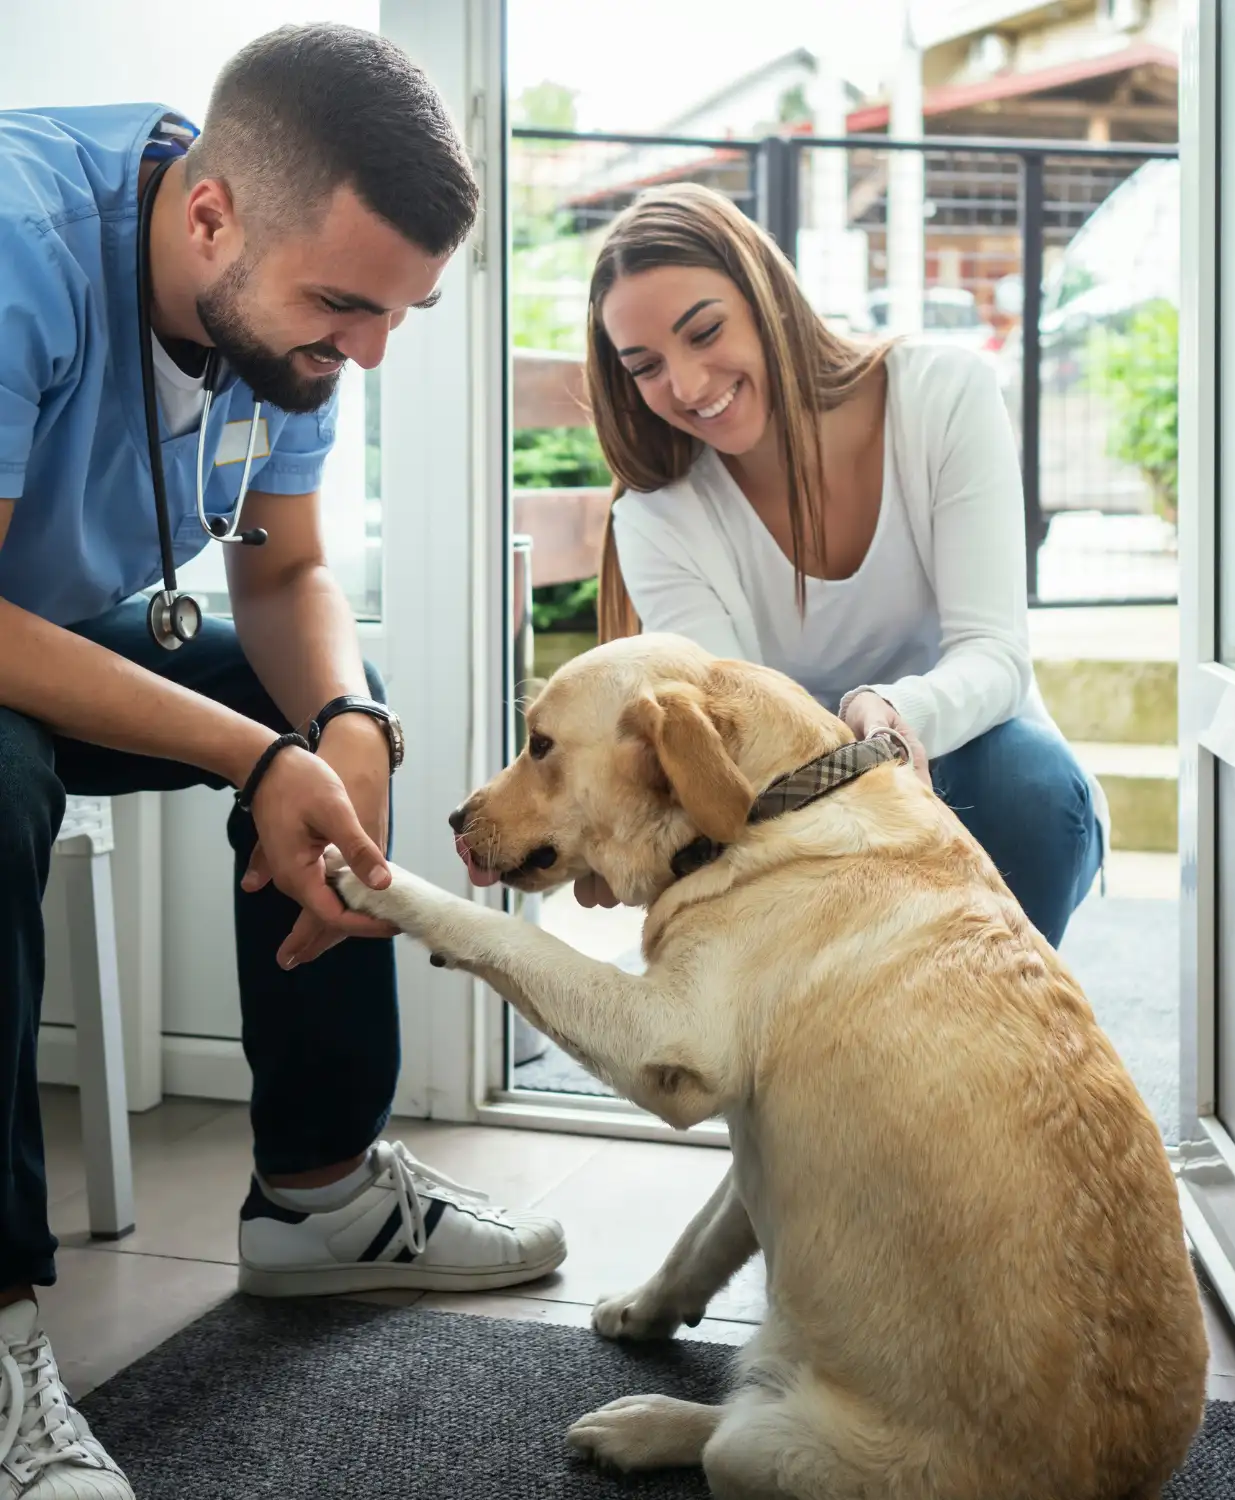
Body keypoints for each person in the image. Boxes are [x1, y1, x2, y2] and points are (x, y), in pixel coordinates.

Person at [0, 25, 564, 1498]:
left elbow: (286, 571)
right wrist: (266, 763)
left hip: (38, 628)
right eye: (343, 308)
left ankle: (319, 1192)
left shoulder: (286, 305)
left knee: (320, 711)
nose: (368, 352)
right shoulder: (18, 240)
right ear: (209, 216)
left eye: (400, 315)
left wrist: (349, 732)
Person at [576, 183, 1106, 947]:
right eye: (646, 366)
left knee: (1029, 785)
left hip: (966, 777)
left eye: (705, 331)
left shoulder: (940, 395)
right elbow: (733, 738)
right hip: (789, 820)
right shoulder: (660, 517)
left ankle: (1000, 1027)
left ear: (765, 298)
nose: (687, 386)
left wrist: (888, 716)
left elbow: (995, 658)